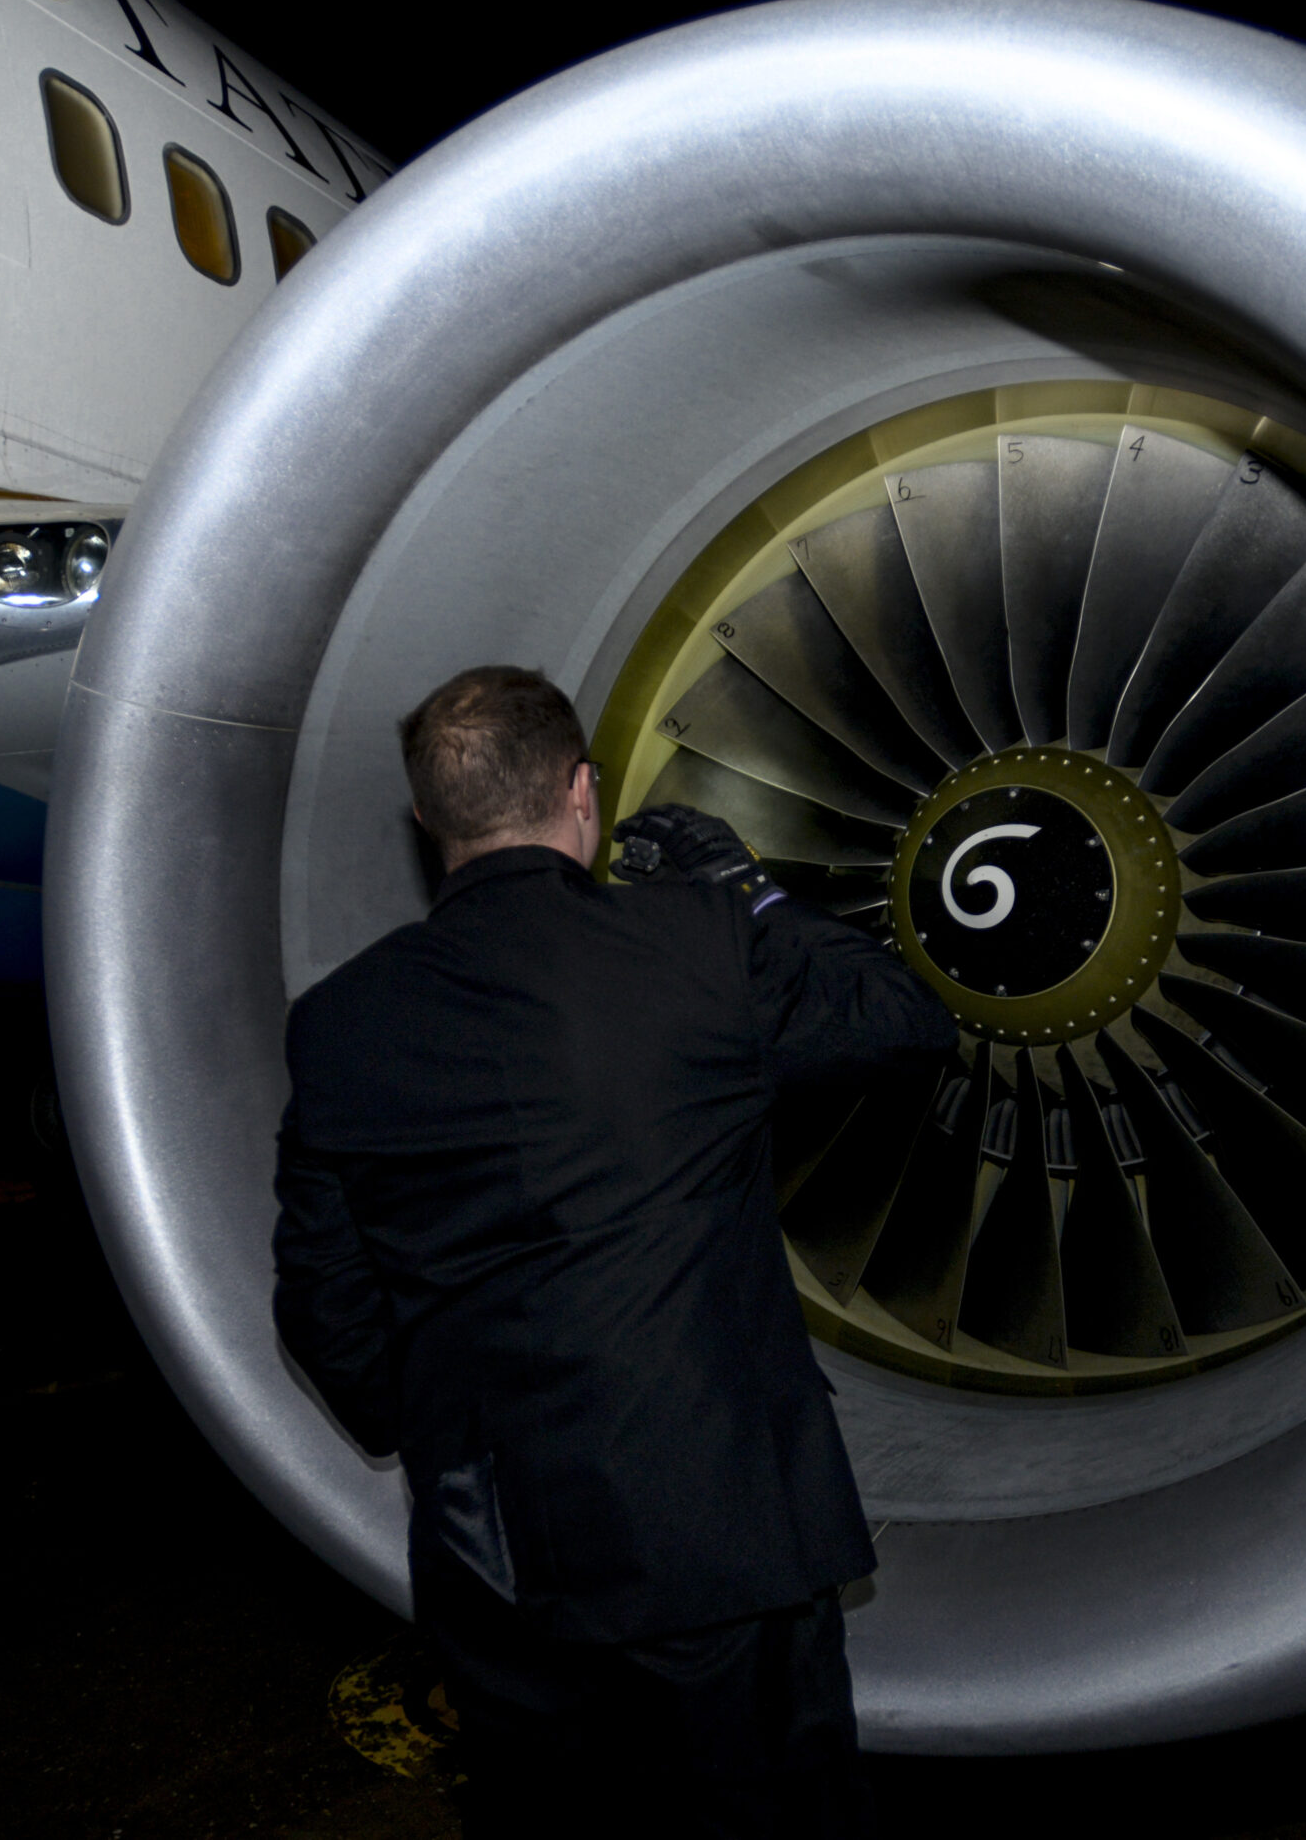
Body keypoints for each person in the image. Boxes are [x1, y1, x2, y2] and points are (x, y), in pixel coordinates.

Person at [270, 664, 956, 1835]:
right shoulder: (693, 946)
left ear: (428, 821)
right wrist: (749, 895)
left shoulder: (341, 1022)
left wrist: (438, 1436)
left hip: (496, 1566)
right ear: (580, 792)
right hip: (721, 1542)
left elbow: (323, 1306)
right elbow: (903, 1024)